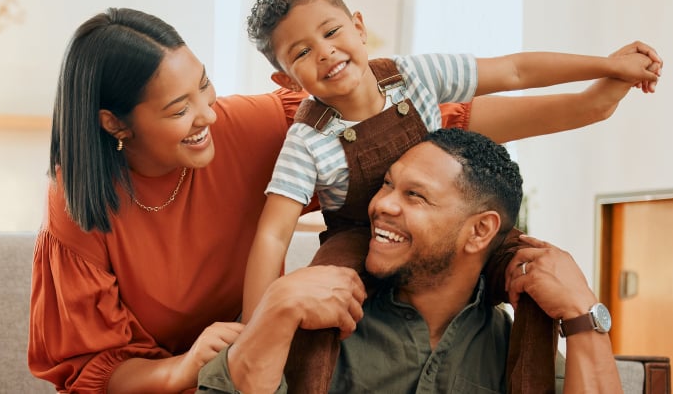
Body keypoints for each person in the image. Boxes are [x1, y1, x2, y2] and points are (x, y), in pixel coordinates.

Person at [26, 7, 657, 393]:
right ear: (115, 124)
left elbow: (424, 128)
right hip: (213, 373)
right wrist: (193, 363)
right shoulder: (79, 208)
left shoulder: (264, 127)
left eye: (206, 85)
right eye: (177, 109)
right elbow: (89, 370)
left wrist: (591, 102)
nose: (207, 115)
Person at [240, 0, 661, 323]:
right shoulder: (308, 138)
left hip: (446, 220)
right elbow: (273, 235)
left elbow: (514, 70)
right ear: (289, 82)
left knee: (536, 271)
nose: (326, 52)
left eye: (331, 32)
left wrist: (608, 65)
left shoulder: (414, 75)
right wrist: (255, 323)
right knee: (315, 300)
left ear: (359, 28)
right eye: (302, 53)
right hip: (362, 238)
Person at [197, 127, 622, 393]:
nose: (383, 205)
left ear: (479, 231)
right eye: (386, 185)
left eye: (414, 196)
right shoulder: (313, 317)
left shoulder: (517, 350)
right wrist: (277, 304)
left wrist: (583, 314)